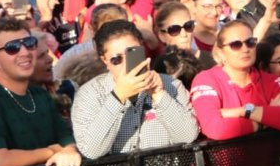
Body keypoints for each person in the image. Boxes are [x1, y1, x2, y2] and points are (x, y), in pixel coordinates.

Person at [70, 20, 199, 157]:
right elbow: (91, 151)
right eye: (116, 59)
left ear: (142, 49)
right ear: (105, 61)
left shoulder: (170, 84)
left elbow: (188, 136)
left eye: (132, 54)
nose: (126, 64)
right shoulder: (89, 94)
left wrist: (159, 94)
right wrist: (118, 97)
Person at [189, 20, 280, 140]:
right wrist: (263, 122)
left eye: (250, 42)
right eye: (236, 45)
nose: (245, 49)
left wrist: (242, 111)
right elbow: (215, 128)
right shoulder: (206, 79)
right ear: (221, 53)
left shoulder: (271, 80)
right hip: (227, 158)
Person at [0, 17, 80, 166]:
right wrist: (49, 152)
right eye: (12, 47)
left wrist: (69, 152)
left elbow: (65, 138)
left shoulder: (39, 94)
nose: (25, 52)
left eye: (28, 43)